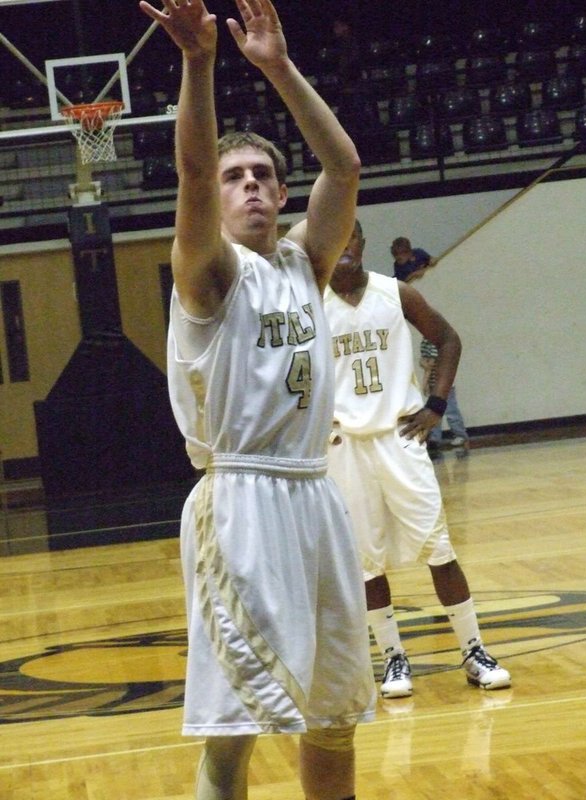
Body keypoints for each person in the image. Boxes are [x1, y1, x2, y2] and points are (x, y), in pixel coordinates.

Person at [138, 2, 375, 799]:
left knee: (333, 711)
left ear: (281, 192)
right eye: (239, 177)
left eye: (264, 176)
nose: (250, 187)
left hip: (314, 496)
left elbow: (342, 169)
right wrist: (200, 64)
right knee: (236, 727)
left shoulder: (304, 264)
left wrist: (277, 67)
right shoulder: (210, 272)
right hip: (239, 498)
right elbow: (195, 173)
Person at [325, 220, 511, 700]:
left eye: (351, 239)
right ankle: (393, 659)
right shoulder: (308, 304)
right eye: (335, 239)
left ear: (363, 245)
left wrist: (436, 405)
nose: (343, 247)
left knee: (439, 548)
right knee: (365, 561)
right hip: (343, 445)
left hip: (400, 437)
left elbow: (448, 338)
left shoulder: (396, 293)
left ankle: (473, 651)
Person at [420, 338, 470, 457]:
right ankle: (435, 438)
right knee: (434, 410)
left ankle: (461, 435)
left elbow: (429, 364)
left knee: (451, 410)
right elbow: (424, 362)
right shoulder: (425, 342)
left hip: (444, 383)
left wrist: (424, 382)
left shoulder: (434, 342)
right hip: (435, 383)